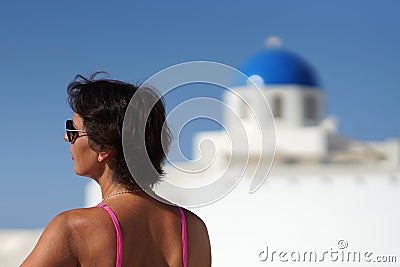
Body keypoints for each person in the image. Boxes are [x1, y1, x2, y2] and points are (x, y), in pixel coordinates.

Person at [21, 73, 212, 267]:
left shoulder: (74, 229)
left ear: (103, 147)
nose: (66, 137)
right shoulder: (193, 229)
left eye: (73, 130)